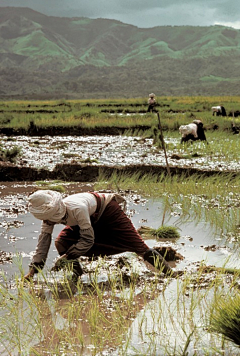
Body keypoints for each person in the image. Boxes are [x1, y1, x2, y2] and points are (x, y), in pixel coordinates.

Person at [24, 190, 179, 283]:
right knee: (61, 242)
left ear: (54, 212)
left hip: (107, 210)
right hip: (89, 219)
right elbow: (43, 243)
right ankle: (77, 274)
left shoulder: (77, 208)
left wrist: (67, 257)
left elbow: (88, 240)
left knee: (139, 247)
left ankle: (171, 276)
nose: (47, 222)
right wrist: (33, 271)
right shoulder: (49, 218)